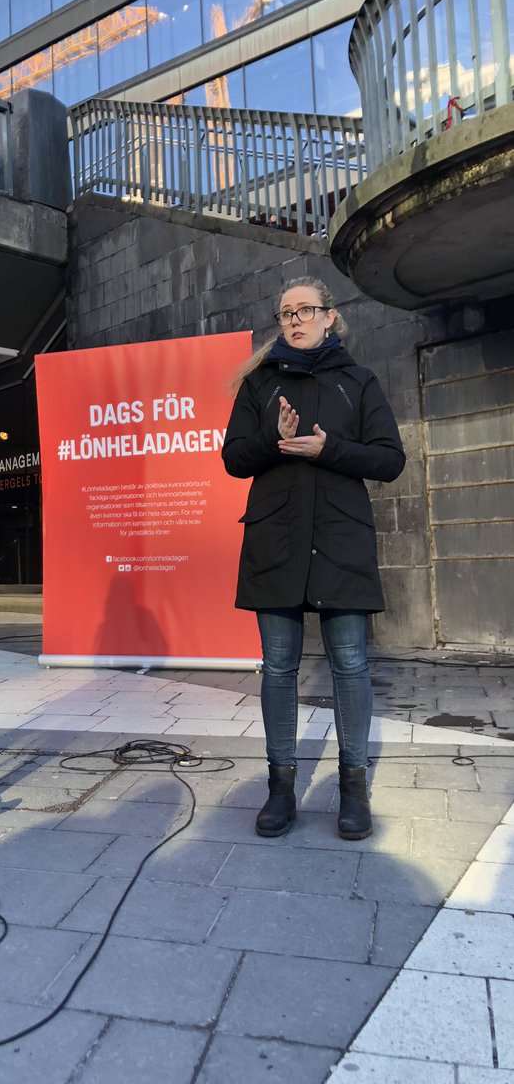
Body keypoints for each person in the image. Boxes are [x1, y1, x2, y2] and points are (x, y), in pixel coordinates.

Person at [222, 278, 405, 840]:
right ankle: (281, 789)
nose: (295, 320)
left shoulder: (359, 381)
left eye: (306, 310)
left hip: (340, 541)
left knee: (350, 664)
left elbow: (390, 459)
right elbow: (233, 458)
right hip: (275, 540)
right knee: (278, 667)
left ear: (331, 317)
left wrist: (331, 450)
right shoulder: (258, 384)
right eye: (285, 313)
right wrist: (272, 442)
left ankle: (354, 790)